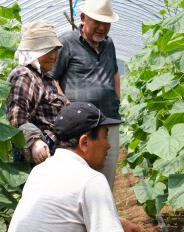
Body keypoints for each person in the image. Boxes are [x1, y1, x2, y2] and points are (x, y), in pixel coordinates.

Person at [8, 102, 142, 232]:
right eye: (105, 135)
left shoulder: (39, 171)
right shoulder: (91, 180)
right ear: (84, 142)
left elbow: (62, 216)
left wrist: (114, 221)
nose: (108, 145)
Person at [49, 0, 121, 190]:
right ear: (82, 19)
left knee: (106, 177)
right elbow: (53, 78)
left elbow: (114, 72)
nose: (102, 27)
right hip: (80, 127)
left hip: (109, 120)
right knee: (79, 180)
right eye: (97, 21)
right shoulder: (67, 42)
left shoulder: (109, 44)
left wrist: (116, 99)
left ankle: (103, 215)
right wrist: (67, 105)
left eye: (106, 23)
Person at [6, 20, 66, 166]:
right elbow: (16, 119)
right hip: (39, 155)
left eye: (55, 49)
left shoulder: (44, 77)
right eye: (46, 50)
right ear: (33, 52)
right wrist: (34, 142)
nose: (53, 55)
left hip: (52, 151)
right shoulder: (24, 75)